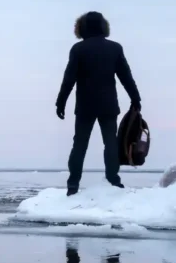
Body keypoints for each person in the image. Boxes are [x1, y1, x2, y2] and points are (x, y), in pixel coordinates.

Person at [55, 11, 142, 195]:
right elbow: (125, 76)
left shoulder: (78, 49)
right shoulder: (115, 48)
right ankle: (113, 181)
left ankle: (73, 184)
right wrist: (135, 98)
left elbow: (69, 78)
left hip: (85, 105)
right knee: (111, 143)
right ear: (104, 26)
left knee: (79, 144)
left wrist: (61, 101)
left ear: (82, 28)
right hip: (108, 104)